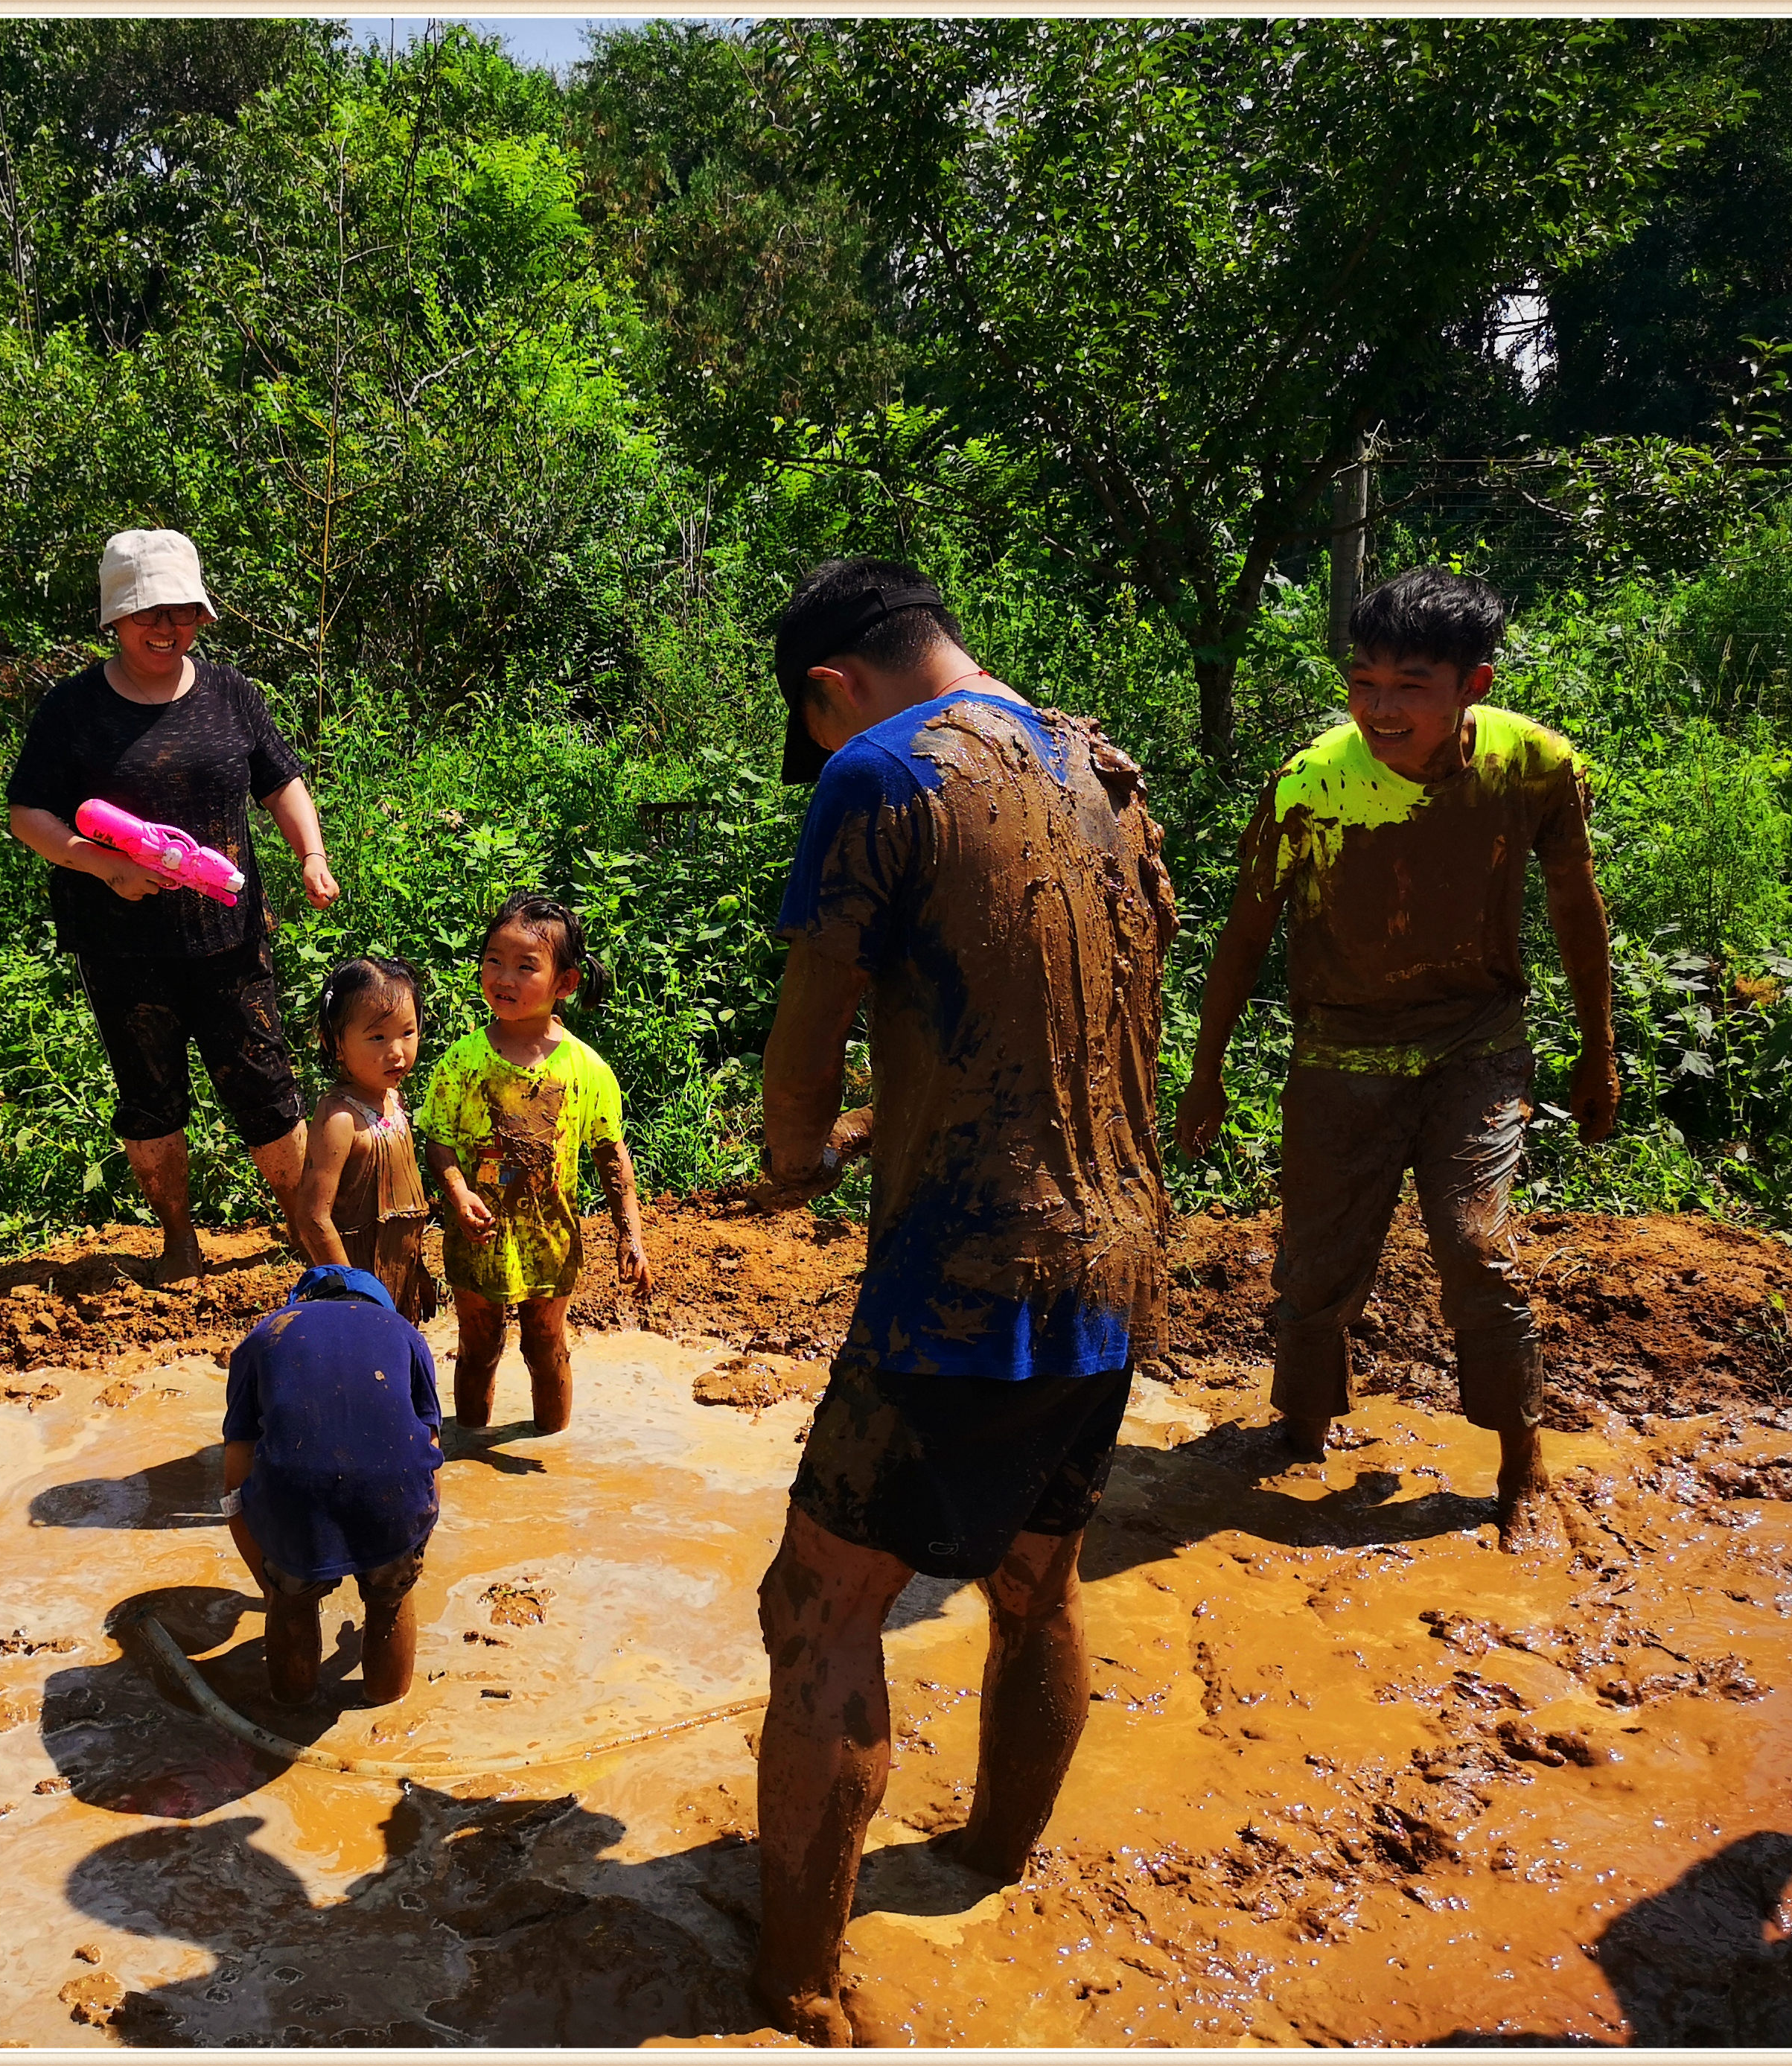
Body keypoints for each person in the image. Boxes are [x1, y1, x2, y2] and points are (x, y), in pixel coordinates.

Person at [748, 558, 1176, 2044]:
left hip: (959, 1276)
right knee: (1036, 1578)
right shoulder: (1098, 762)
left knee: (817, 1604)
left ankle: (793, 1979)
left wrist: (795, 1153)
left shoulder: (875, 774)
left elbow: (805, 1041)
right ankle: (991, 1859)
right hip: (1117, 1262)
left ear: (829, 689)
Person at [1173, 566, 1616, 1549]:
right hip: (1339, 1048)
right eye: (1362, 680)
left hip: (1476, 1043)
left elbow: (1575, 908)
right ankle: (1296, 1427)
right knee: (1316, 1263)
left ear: (1474, 685)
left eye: (1410, 684)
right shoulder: (1309, 782)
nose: (1379, 706)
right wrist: (1204, 1072)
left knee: (1474, 1246)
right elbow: (1245, 933)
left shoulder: (1531, 766)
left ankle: (1521, 1458)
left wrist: (1599, 1048)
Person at [4, 529, 339, 1281]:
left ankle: (301, 1227)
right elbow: (29, 813)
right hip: (121, 947)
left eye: (183, 611)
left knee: (264, 1082)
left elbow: (280, 782)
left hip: (228, 938)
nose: (166, 627)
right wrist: (101, 865)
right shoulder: (72, 710)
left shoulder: (230, 695)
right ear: (114, 619)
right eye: (148, 611)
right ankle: (178, 1241)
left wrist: (310, 856)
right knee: (149, 1097)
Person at [417, 895, 653, 1434]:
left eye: (526, 966)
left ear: (564, 984)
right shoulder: (463, 1061)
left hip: (551, 1238)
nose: (504, 977)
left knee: (546, 1346)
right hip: (478, 1235)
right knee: (478, 1346)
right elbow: (438, 1141)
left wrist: (629, 1235)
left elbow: (610, 1155)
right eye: (494, 960)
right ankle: (471, 1445)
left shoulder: (586, 1068)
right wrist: (457, 1193)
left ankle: (553, 1447)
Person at [220, 1263, 445, 1706]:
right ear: (377, 1304)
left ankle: (292, 1707)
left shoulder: (266, 1335)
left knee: (292, 1604)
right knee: (390, 1601)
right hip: (395, 1495)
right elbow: (431, 1455)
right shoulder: (405, 1334)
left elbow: (235, 1472)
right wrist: (411, 1540)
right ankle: (388, 1709)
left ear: (303, 1303)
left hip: (294, 1501)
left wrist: (273, 1583)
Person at [290, 957, 439, 1321]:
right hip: (358, 1289)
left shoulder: (391, 1097)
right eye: (377, 1037)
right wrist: (352, 1294)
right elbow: (313, 1216)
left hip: (397, 1278)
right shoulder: (340, 1117)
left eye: (407, 1032)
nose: (397, 1052)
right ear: (335, 1044)